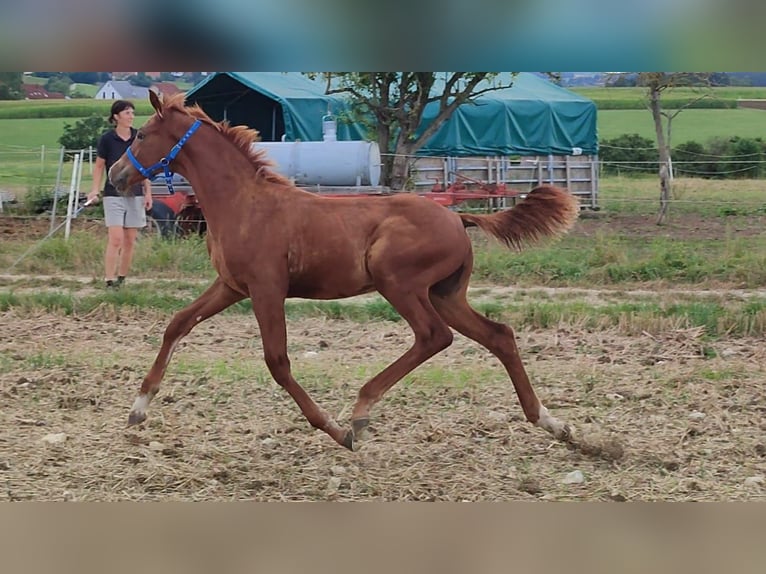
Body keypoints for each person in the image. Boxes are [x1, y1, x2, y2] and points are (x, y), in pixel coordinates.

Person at [86, 100, 152, 289]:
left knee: (130, 240)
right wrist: (94, 189)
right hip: (112, 194)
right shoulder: (107, 139)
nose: (131, 116)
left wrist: (148, 193)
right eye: (127, 113)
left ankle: (121, 279)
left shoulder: (139, 138)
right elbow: (99, 166)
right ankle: (109, 280)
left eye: (132, 112)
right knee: (116, 239)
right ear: (116, 117)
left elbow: (143, 167)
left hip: (136, 193)